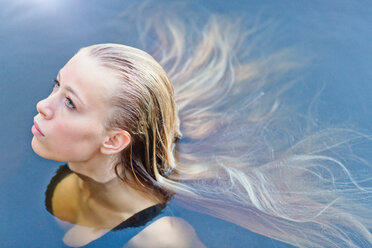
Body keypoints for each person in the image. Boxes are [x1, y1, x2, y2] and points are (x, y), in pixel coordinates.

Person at [32, 11, 372, 248]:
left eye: (70, 102)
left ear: (114, 140)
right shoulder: (70, 180)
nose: (43, 105)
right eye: (56, 85)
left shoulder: (161, 238)